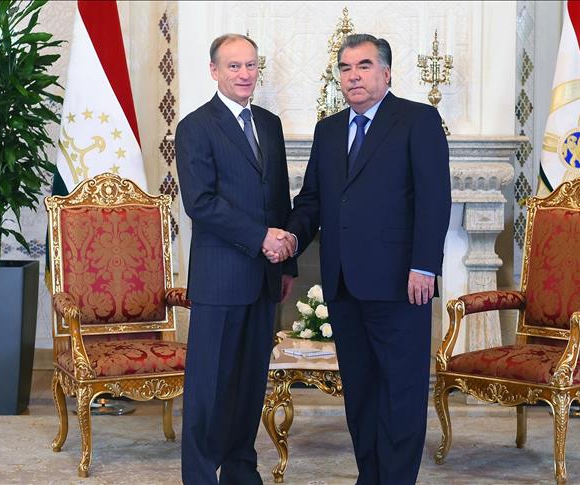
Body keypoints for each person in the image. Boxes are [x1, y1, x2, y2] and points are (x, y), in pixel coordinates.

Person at [272, 33, 452, 485]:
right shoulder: (329, 130)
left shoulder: (417, 119)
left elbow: (434, 198)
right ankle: (369, 476)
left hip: (401, 282)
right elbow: (312, 200)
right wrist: (291, 239)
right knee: (362, 392)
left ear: (386, 73)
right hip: (343, 284)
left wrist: (424, 265)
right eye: (346, 68)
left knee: (401, 392)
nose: (354, 76)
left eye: (364, 66)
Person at [175, 33, 297, 485]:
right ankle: (201, 477)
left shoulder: (269, 123)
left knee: (249, 386)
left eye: (250, 65)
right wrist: (261, 237)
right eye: (234, 66)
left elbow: (278, 197)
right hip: (220, 278)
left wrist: (286, 265)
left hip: (265, 278)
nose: (245, 74)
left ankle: (241, 474)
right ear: (214, 71)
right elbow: (201, 203)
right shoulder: (195, 126)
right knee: (209, 388)